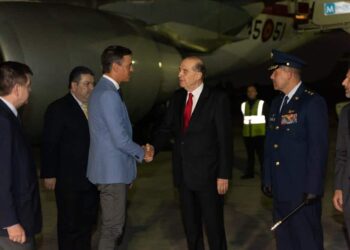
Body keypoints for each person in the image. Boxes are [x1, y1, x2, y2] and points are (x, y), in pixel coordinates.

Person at [151, 56, 233, 250]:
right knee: (191, 229)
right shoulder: (178, 97)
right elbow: (165, 128)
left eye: (184, 71)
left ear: (198, 74)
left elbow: (224, 140)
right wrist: (152, 148)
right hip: (184, 177)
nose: (179, 74)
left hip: (209, 177)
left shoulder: (217, 99)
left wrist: (224, 174)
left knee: (214, 228)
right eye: (180, 70)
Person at [86, 45, 153, 250]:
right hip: (111, 173)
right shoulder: (108, 94)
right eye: (128, 65)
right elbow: (120, 139)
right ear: (116, 66)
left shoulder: (104, 91)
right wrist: (143, 153)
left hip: (112, 171)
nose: (131, 69)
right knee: (113, 229)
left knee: (106, 226)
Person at [262, 50, 328, 250]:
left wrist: (313, 188)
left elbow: (318, 148)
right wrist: (267, 178)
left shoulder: (312, 102)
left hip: (302, 191)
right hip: (280, 187)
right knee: (285, 240)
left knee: (307, 240)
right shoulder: (276, 104)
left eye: (275, 72)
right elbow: (271, 144)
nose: (272, 76)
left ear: (289, 72)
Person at [40, 66, 99, 250]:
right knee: (69, 224)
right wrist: (49, 173)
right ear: (73, 85)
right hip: (68, 179)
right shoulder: (58, 108)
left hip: (92, 177)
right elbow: (49, 143)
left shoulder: (95, 107)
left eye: (93, 84)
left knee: (88, 221)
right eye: (86, 84)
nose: (91, 88)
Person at [0, 61, 42, 249]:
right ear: (17, 89)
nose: (30, 91)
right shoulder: (3, 121)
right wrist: (10, 222)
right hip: (11, 225)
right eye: (28, 85)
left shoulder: (10, 116)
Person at [333, 65, 350, 240]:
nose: (343, 82)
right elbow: (341, 153)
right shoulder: (346, 112)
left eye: (348, 78)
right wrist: (339, 187)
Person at [240, 84, 268, 179]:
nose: (250, 93)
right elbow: (243, 119)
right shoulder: (243, 105)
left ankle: (265, 174)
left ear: (256, 93)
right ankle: (250, 173)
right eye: (248, 91)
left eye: (252, 91)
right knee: (250, 156)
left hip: (260, 135)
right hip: (247, 135)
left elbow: (267, 119)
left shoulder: (262, 103)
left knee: (262, 156)